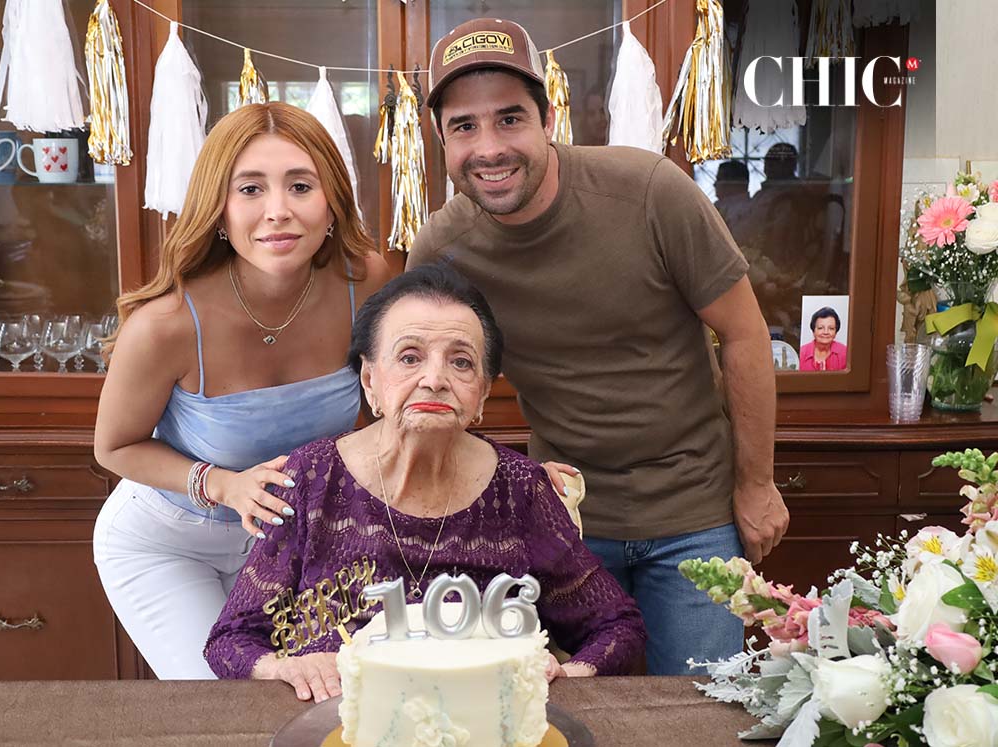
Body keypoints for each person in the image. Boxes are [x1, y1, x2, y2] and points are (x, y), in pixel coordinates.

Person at [406, 18, 788, 675]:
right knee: (565, 714)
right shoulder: (443, 248)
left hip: (694, 513)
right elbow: (427, 384)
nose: (489, 147)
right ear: (440, 139)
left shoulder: (649, 192)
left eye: (509, 119)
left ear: (547, 118)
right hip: (564, 521)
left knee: (700, 714)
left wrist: (755, 483)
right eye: (464, 126)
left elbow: (746, 332)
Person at [205, 265, 647, 700]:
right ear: (370, 380)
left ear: (482, 394)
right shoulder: (312, 479)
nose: (434, 380)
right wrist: (287, 667)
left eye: (460, 362)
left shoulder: (521, 491)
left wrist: (564, 673)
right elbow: (231, 638)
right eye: (410, 357)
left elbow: (616, 626)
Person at [93, 102, 390, 679]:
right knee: (225, 703)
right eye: (250, 189)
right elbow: (115, 448)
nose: (277, 211)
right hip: (168, 544)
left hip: (294, 544)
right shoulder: (166, 324)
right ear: (219, 210)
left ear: (331, 202)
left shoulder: (368, 283)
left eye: (300, 186)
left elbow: (392, 406)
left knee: (327, 698)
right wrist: (224, 484)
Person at [799, 307, 847, 371]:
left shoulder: (845, 352)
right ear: (813, 331)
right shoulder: (801, 353)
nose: (826, 332)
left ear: (835, 332)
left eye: (831, 328)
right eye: (820, 328)